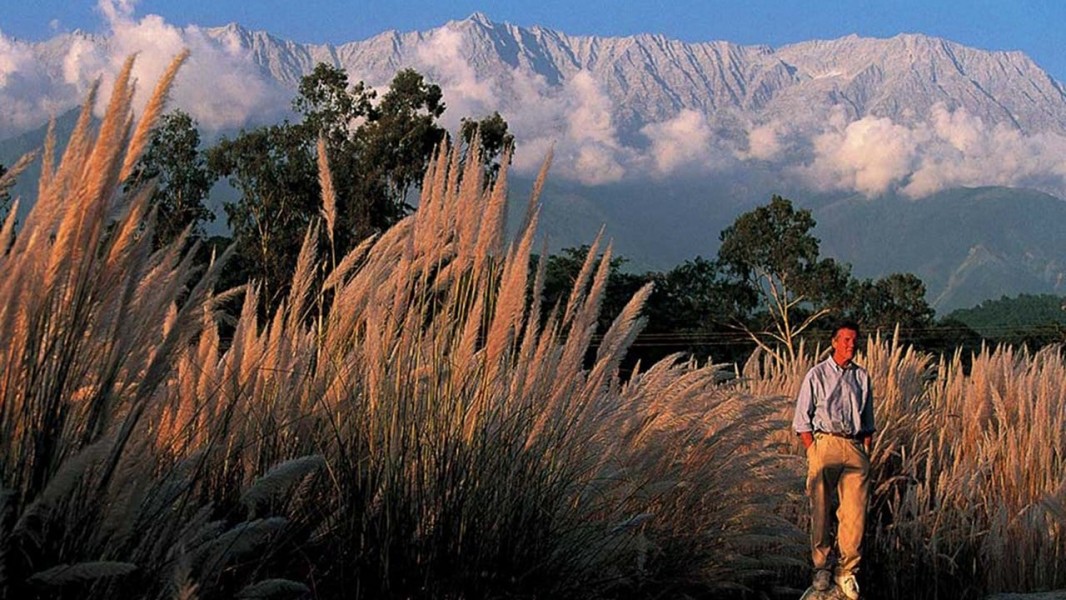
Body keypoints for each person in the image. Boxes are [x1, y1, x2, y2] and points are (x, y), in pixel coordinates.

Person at [793, 320, 874, 600]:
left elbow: (868, 422)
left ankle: (847, 570)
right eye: (846, 340)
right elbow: (801, 420)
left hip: (853, 445)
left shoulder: (862, 377)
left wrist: (864, 451)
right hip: (824, 442)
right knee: (821, 509)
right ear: (834, 342)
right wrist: (813, 449)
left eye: (855, 340)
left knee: (855, 514)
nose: (852, 345)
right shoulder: (816, 375)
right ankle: (821, 569)